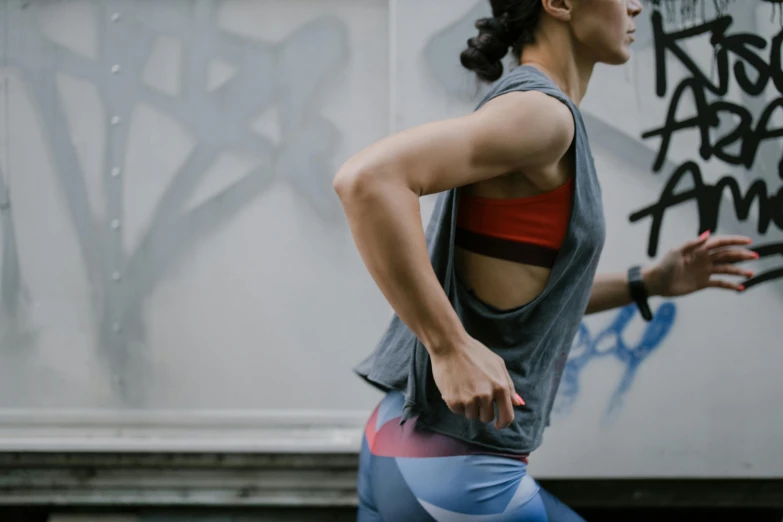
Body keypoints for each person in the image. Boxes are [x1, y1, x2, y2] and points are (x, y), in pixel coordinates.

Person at [333, 1, 758, 520]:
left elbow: (518, 295)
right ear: (557, 3)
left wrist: (648, 282)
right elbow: (367, 180)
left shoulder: (533, 112)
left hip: (394, 439)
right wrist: (448, 346)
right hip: (458, 469)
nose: (636, 4)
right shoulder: (542, 115)